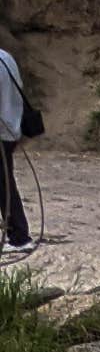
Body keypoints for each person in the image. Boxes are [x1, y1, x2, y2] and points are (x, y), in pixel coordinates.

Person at [0, 33, 33, 253]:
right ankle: (18, 233)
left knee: (4, 184)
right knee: (4, 182)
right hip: (11, 130)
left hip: (1, 131)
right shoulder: (6, 58)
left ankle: (19, 236)